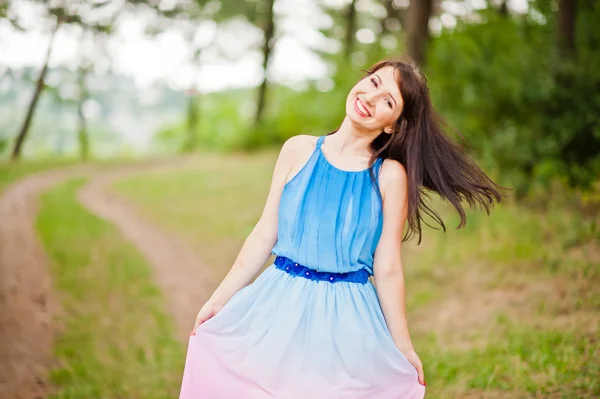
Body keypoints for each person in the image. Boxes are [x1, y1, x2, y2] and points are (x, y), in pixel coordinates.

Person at [178, 56, 504, 399]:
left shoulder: (389, 176)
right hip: (277, 304)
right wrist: (218, 299)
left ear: (392, 125)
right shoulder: (298, 149)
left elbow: (388, 266)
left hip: (346, 320)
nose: (372, 99)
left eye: (388, 102)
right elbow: (265, 232)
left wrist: (404, 346)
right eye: (374, 83)